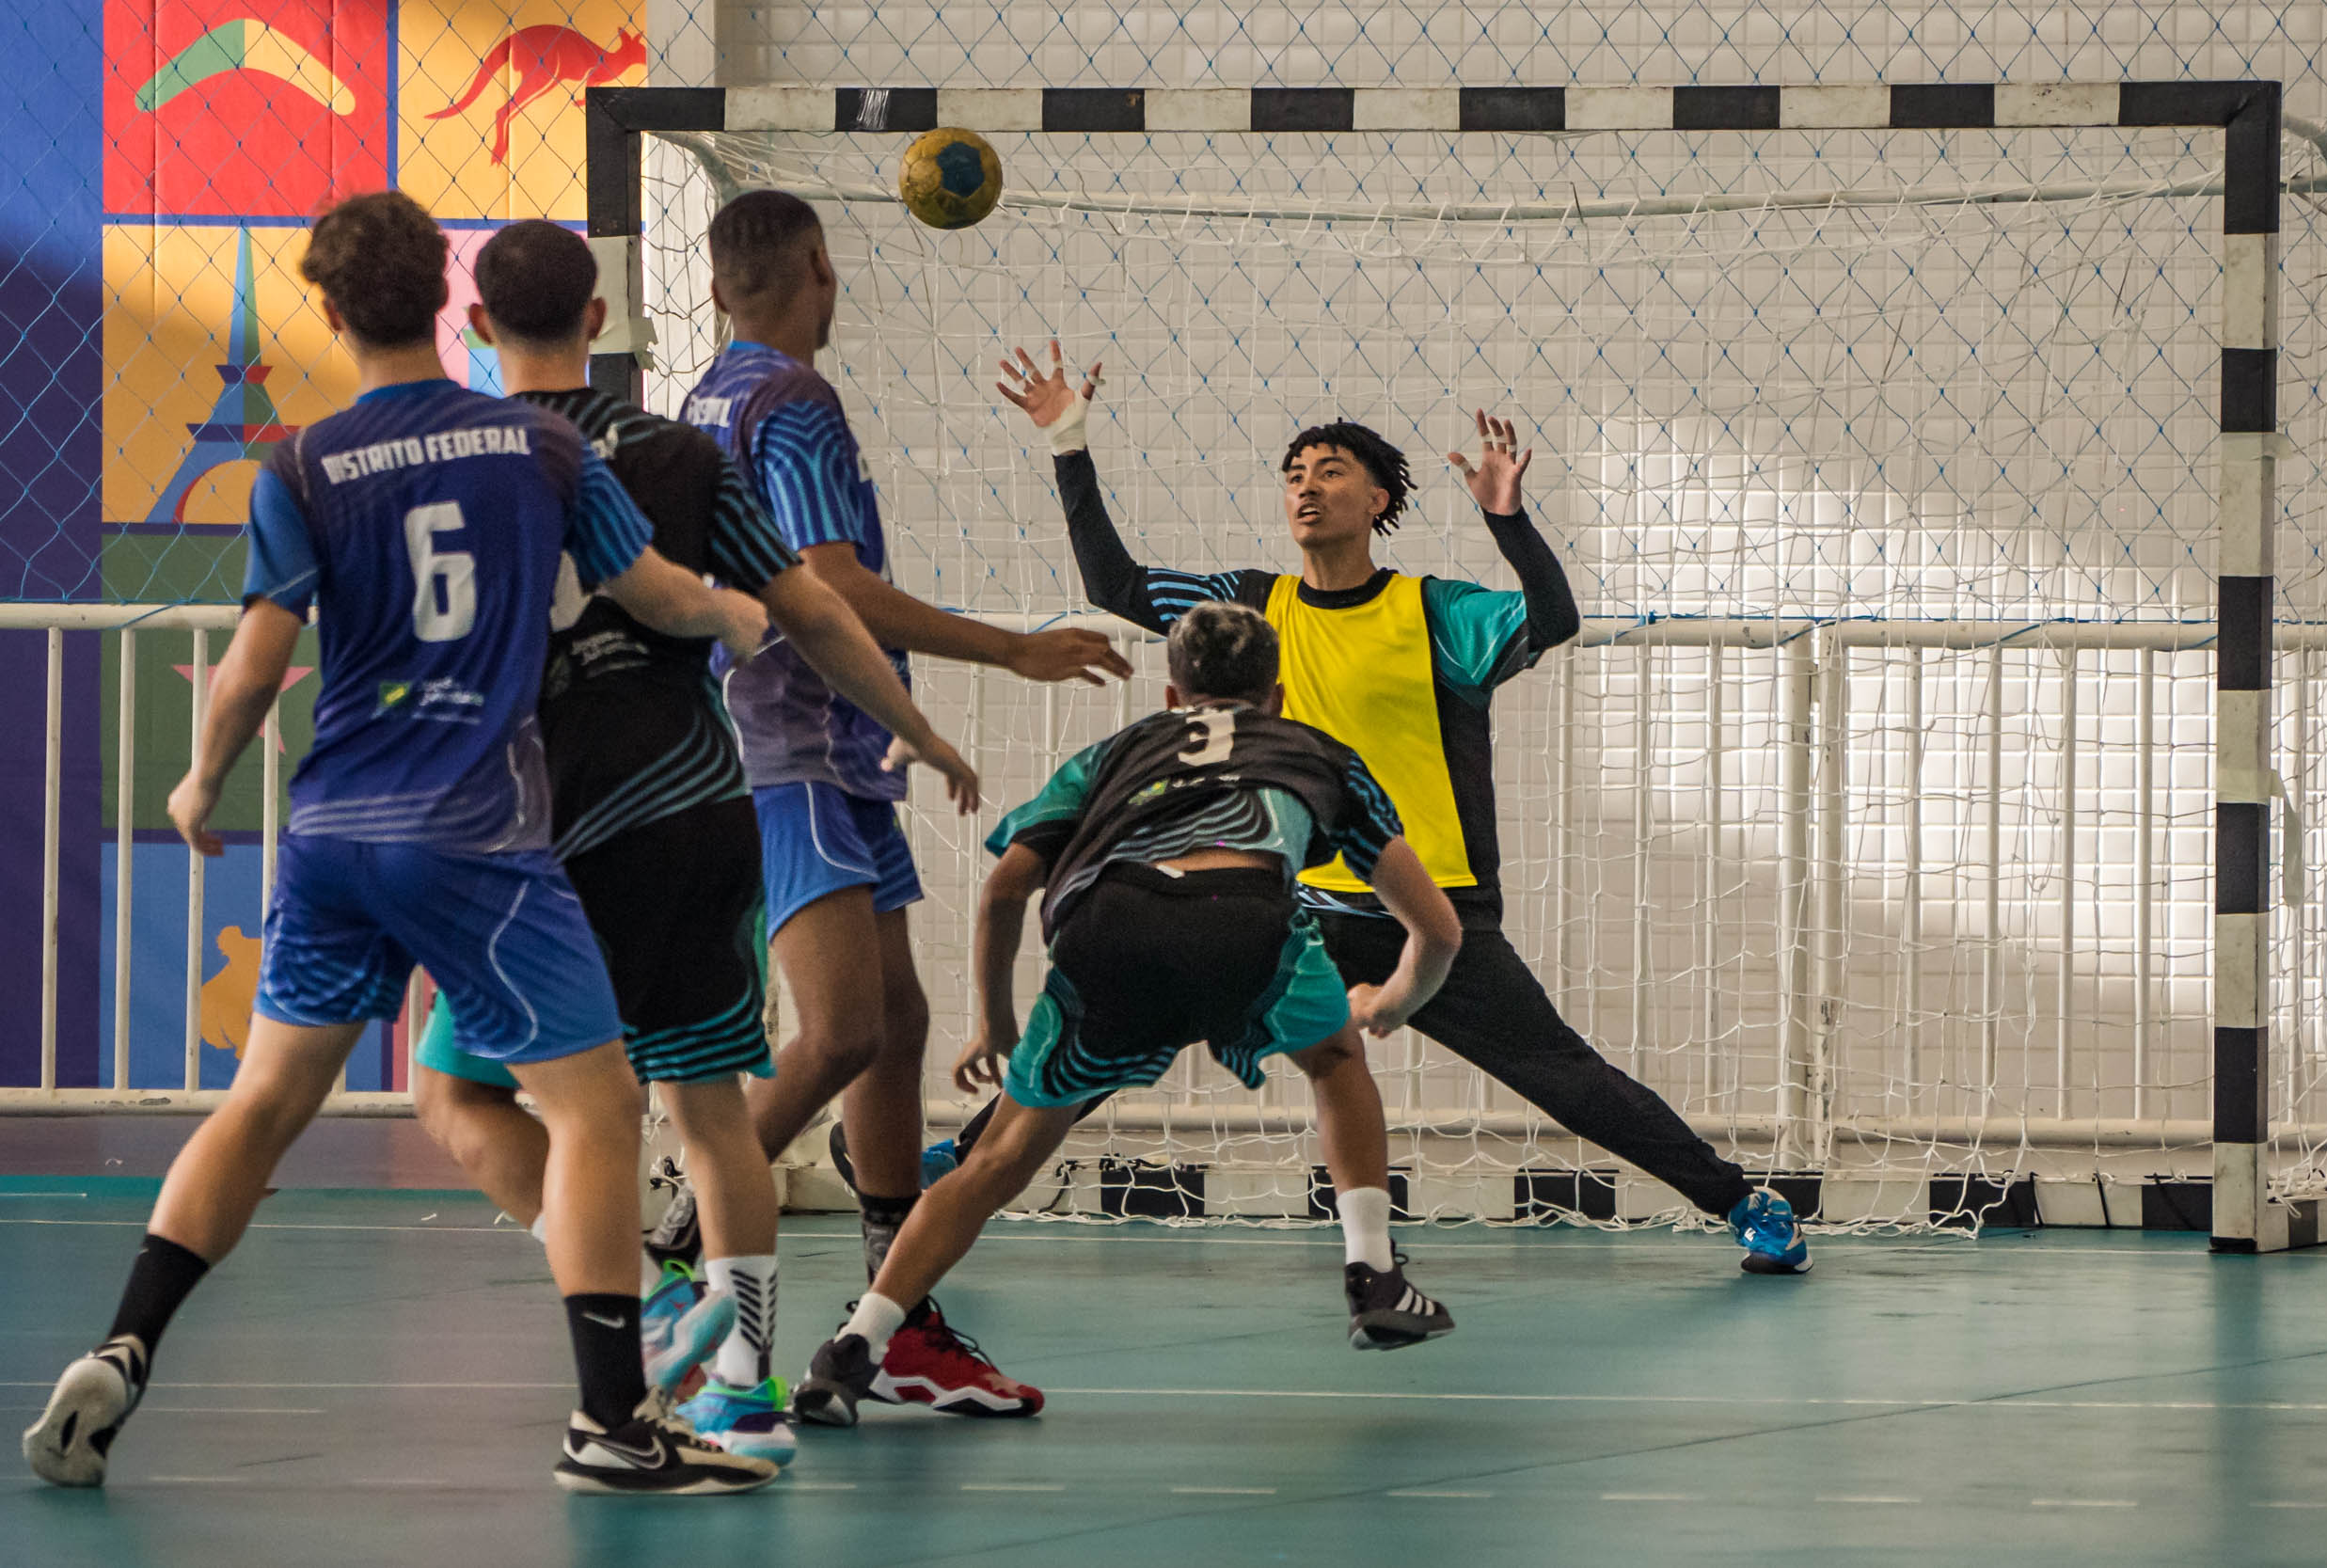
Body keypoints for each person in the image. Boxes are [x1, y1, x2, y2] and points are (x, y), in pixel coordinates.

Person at [23, 192, 779, 1496]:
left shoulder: (301, 466)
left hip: (332, 830)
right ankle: (612, 1417)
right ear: (447, 297)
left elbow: (256, 659)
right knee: (596, 1105)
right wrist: (735, 614)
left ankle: (123, 1345)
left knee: (262, 1103)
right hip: (472, 831)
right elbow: (653, 591)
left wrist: (200, 782)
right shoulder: (541, 446)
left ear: (326, 312)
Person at [907, 342, 1812, 1275]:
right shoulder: (1253, 606)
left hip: (1433, 910)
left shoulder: (1435, 612)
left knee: (1563, 1076)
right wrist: (1068, 441)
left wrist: (1507, 520)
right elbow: (1118, 588)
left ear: (1377, 500)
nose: (1306, 485)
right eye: (1294, 473)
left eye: (1330, 470)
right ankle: (971, 1157)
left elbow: (1553, 618)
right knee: (1128, 1016)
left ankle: (1742, 1201)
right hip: (1294, 907)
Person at [403, 219, 983, 1464]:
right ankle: (744, 1391)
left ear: (479, 326)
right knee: (711, 1108)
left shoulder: (459, 466)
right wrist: (918, 727)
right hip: (700, 806)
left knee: (458, 1091)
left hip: (545, 828)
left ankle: (647, 1296)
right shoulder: (682, 454)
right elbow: (809, 608)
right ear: (600, 316)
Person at [672, 191, 1132, 1420]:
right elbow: (833, 586)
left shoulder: (709, 393)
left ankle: (896, 1320)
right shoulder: (793, 399)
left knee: (898, 1020)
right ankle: (673, 1241)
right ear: (821, 268)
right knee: (837, 1031)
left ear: (716, 288)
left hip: (821, 740)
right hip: (796, 736)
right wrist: (1012, 649)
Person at [792, 603, 1461, 1423]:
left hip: (1108, 927)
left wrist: (995, 1022)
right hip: (1244, 919)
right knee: (1333, 1059)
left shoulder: (1110, 754)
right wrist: (1391, 1000)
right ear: (1278, 696)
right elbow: (1440, 931)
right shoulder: (1317, 750)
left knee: (994, 1160)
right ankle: (1373, 1274)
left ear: (1173, 697)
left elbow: (1003, 890)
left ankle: (853, 1348)